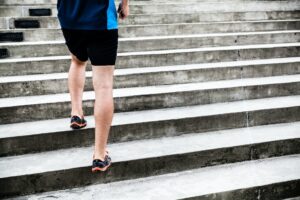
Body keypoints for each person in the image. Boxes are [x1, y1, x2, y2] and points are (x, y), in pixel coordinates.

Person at [56, 0, 129, 172]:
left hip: (69, 18)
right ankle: (99, 155)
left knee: (77, 60)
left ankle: (76, 113)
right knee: (103, 85)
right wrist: (125, 3)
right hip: (100, 19)